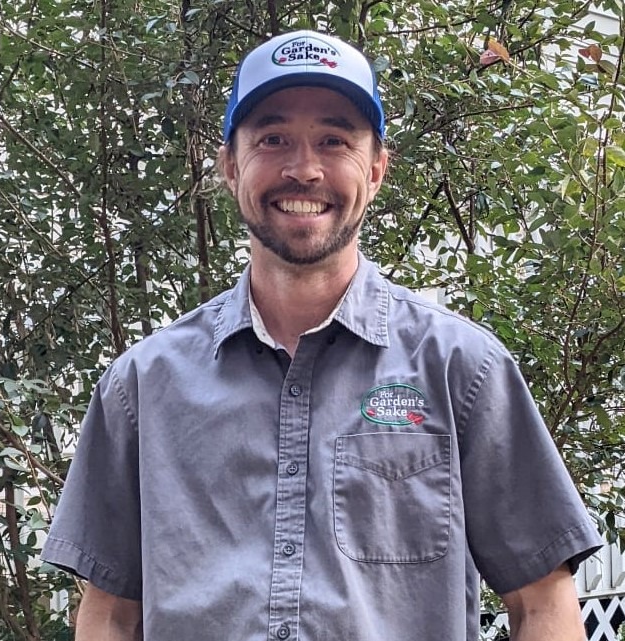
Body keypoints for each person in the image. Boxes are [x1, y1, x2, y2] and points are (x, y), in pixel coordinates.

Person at [42, 30, 601, 641]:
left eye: (333, 140)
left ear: (377, 168)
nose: (303, 169)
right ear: (230, 166)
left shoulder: (462, 371)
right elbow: (110, 613)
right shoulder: (143, 386)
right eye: (273, 139)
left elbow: (544, 603)